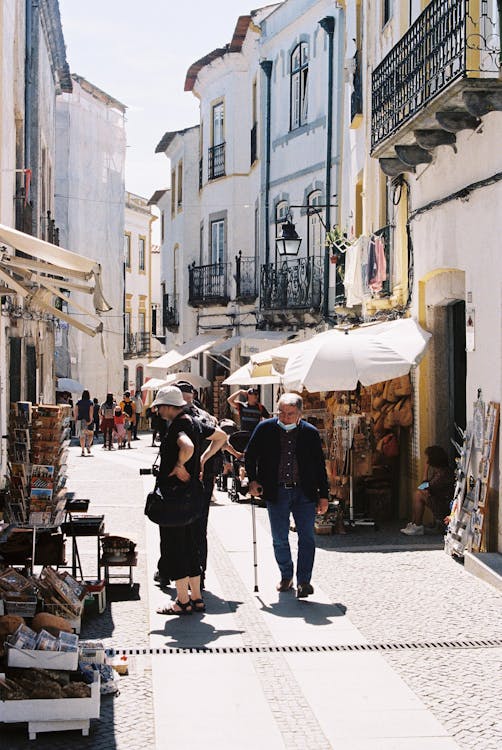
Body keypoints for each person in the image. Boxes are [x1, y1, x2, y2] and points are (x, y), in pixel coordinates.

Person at [245, 392, 329, 598]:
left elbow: (319, 466)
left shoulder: (310, 433)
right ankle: (286, 575)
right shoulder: (265, 428)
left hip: (304, 492)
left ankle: (304, 581)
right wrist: (253, 480)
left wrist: (324, 495)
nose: (284, 417)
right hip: (277, 490)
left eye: (290, 413)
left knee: (307, 537)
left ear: (300, 413)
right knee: (279, 538)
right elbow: (250, 455)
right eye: (281, 412)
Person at [152, 386, 225, 615]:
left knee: (176, 546)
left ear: (167, 406)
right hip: (193, 494)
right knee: (192, 544)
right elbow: (222, 436)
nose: (157, 411)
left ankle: (182, 601)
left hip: (175, 497)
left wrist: (179, 464)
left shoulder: (179, 425)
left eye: (159, 406)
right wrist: (203, 460)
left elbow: (187, 446)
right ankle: (197, 597)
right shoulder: (195, 421)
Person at [176, 381, 227, 584]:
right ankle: (199, 572)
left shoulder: (180, 418)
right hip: (204, 479)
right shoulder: (208, 416)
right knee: (200, 524)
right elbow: (223, 438)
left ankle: (179, 572)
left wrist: (185, 462)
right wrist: (205, 458)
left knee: (178, 525)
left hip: (183, 477)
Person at [401, 445, 454, 536]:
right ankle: (414, 523)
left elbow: (423, 486)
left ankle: (417, 525)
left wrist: (425, 470)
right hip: (440, 502)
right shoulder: (440, 471)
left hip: (444, 506)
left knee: (418, 494)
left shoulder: (442, 474)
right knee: (418, 493)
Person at [74, 390, 94, 457]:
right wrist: (91, 420)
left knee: (82, 436)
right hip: (88, 419)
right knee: (91, 434)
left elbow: (76, 411)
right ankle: (88, 445)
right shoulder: (90, 402)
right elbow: (91, 412)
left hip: (80, 420)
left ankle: (82, 450)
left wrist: (75, 419)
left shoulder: (78, 402)